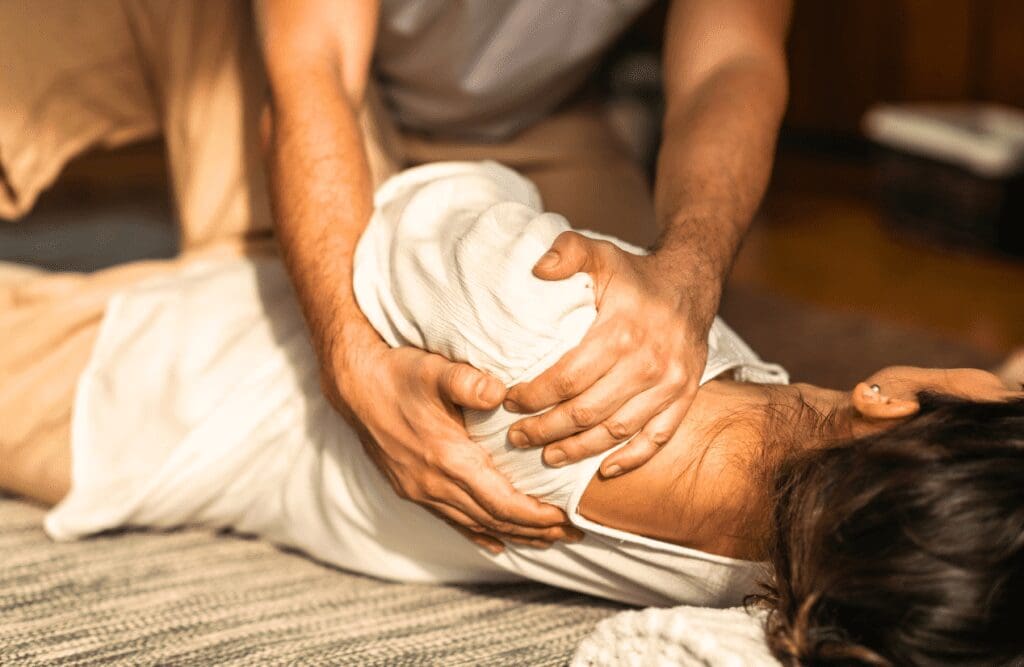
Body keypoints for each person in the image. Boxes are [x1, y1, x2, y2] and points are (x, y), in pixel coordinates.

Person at [3, 162, 1022, 665]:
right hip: (189, 438)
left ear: (888, 400)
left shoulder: (558, 326)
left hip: (145, 370)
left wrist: (554, 229)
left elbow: (419, 201)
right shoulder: (808, 593)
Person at [0, 0, 792, 548]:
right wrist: (347, 352)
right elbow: (317, 67)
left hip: (534, 117)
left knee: (602, 379)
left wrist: (689, 270)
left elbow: (733, 57)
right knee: (298, 348)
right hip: (305, 51)